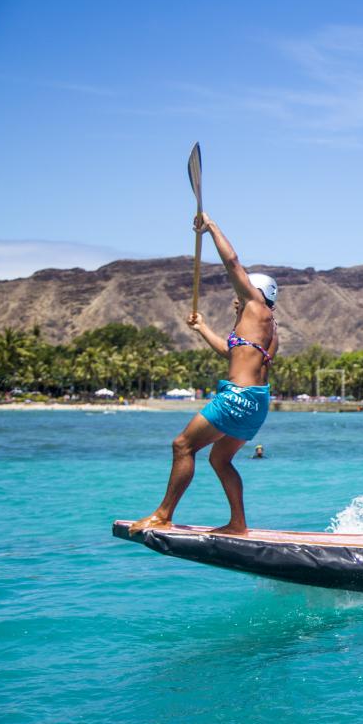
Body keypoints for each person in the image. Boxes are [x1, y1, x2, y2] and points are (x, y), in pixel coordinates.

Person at [130, 212, 278, 536]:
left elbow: (232, 263)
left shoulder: (255, 305)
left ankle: (163, 515)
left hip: (236, 397)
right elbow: (232, 353)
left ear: (254, 291)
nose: (236, 297)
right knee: (220, 460)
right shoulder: (268, 328)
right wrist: (202, 328)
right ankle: (237, 524)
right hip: (257, 402)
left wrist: (211, 227)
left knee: (182, 445)